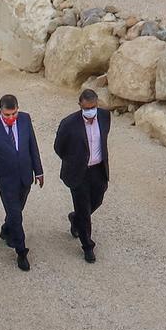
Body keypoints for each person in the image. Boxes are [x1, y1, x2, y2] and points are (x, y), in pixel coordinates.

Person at [0, 94, 44, 272]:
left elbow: (33, 145)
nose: (11, 118)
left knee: (17, 210)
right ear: (0, 111)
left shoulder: (25, 119)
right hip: (6, 180)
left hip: (25, 176)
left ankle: (6, 229)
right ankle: (21, 251)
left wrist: (38, 171)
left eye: (13, 114)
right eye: (7, 115)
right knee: (16, 215)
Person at [53, 89, 111, 263]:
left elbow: (103, 139)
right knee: (84, 211)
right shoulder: (68, 123)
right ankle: (87, 246)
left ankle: (75, 218)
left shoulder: (105, 116)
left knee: (97, 200)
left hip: (98, 169)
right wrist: (74, 161)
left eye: (93, 107)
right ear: (80, 106)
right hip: (79, 172)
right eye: (86, 108)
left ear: (97, 104)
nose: (90, 111)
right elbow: (59, 147)